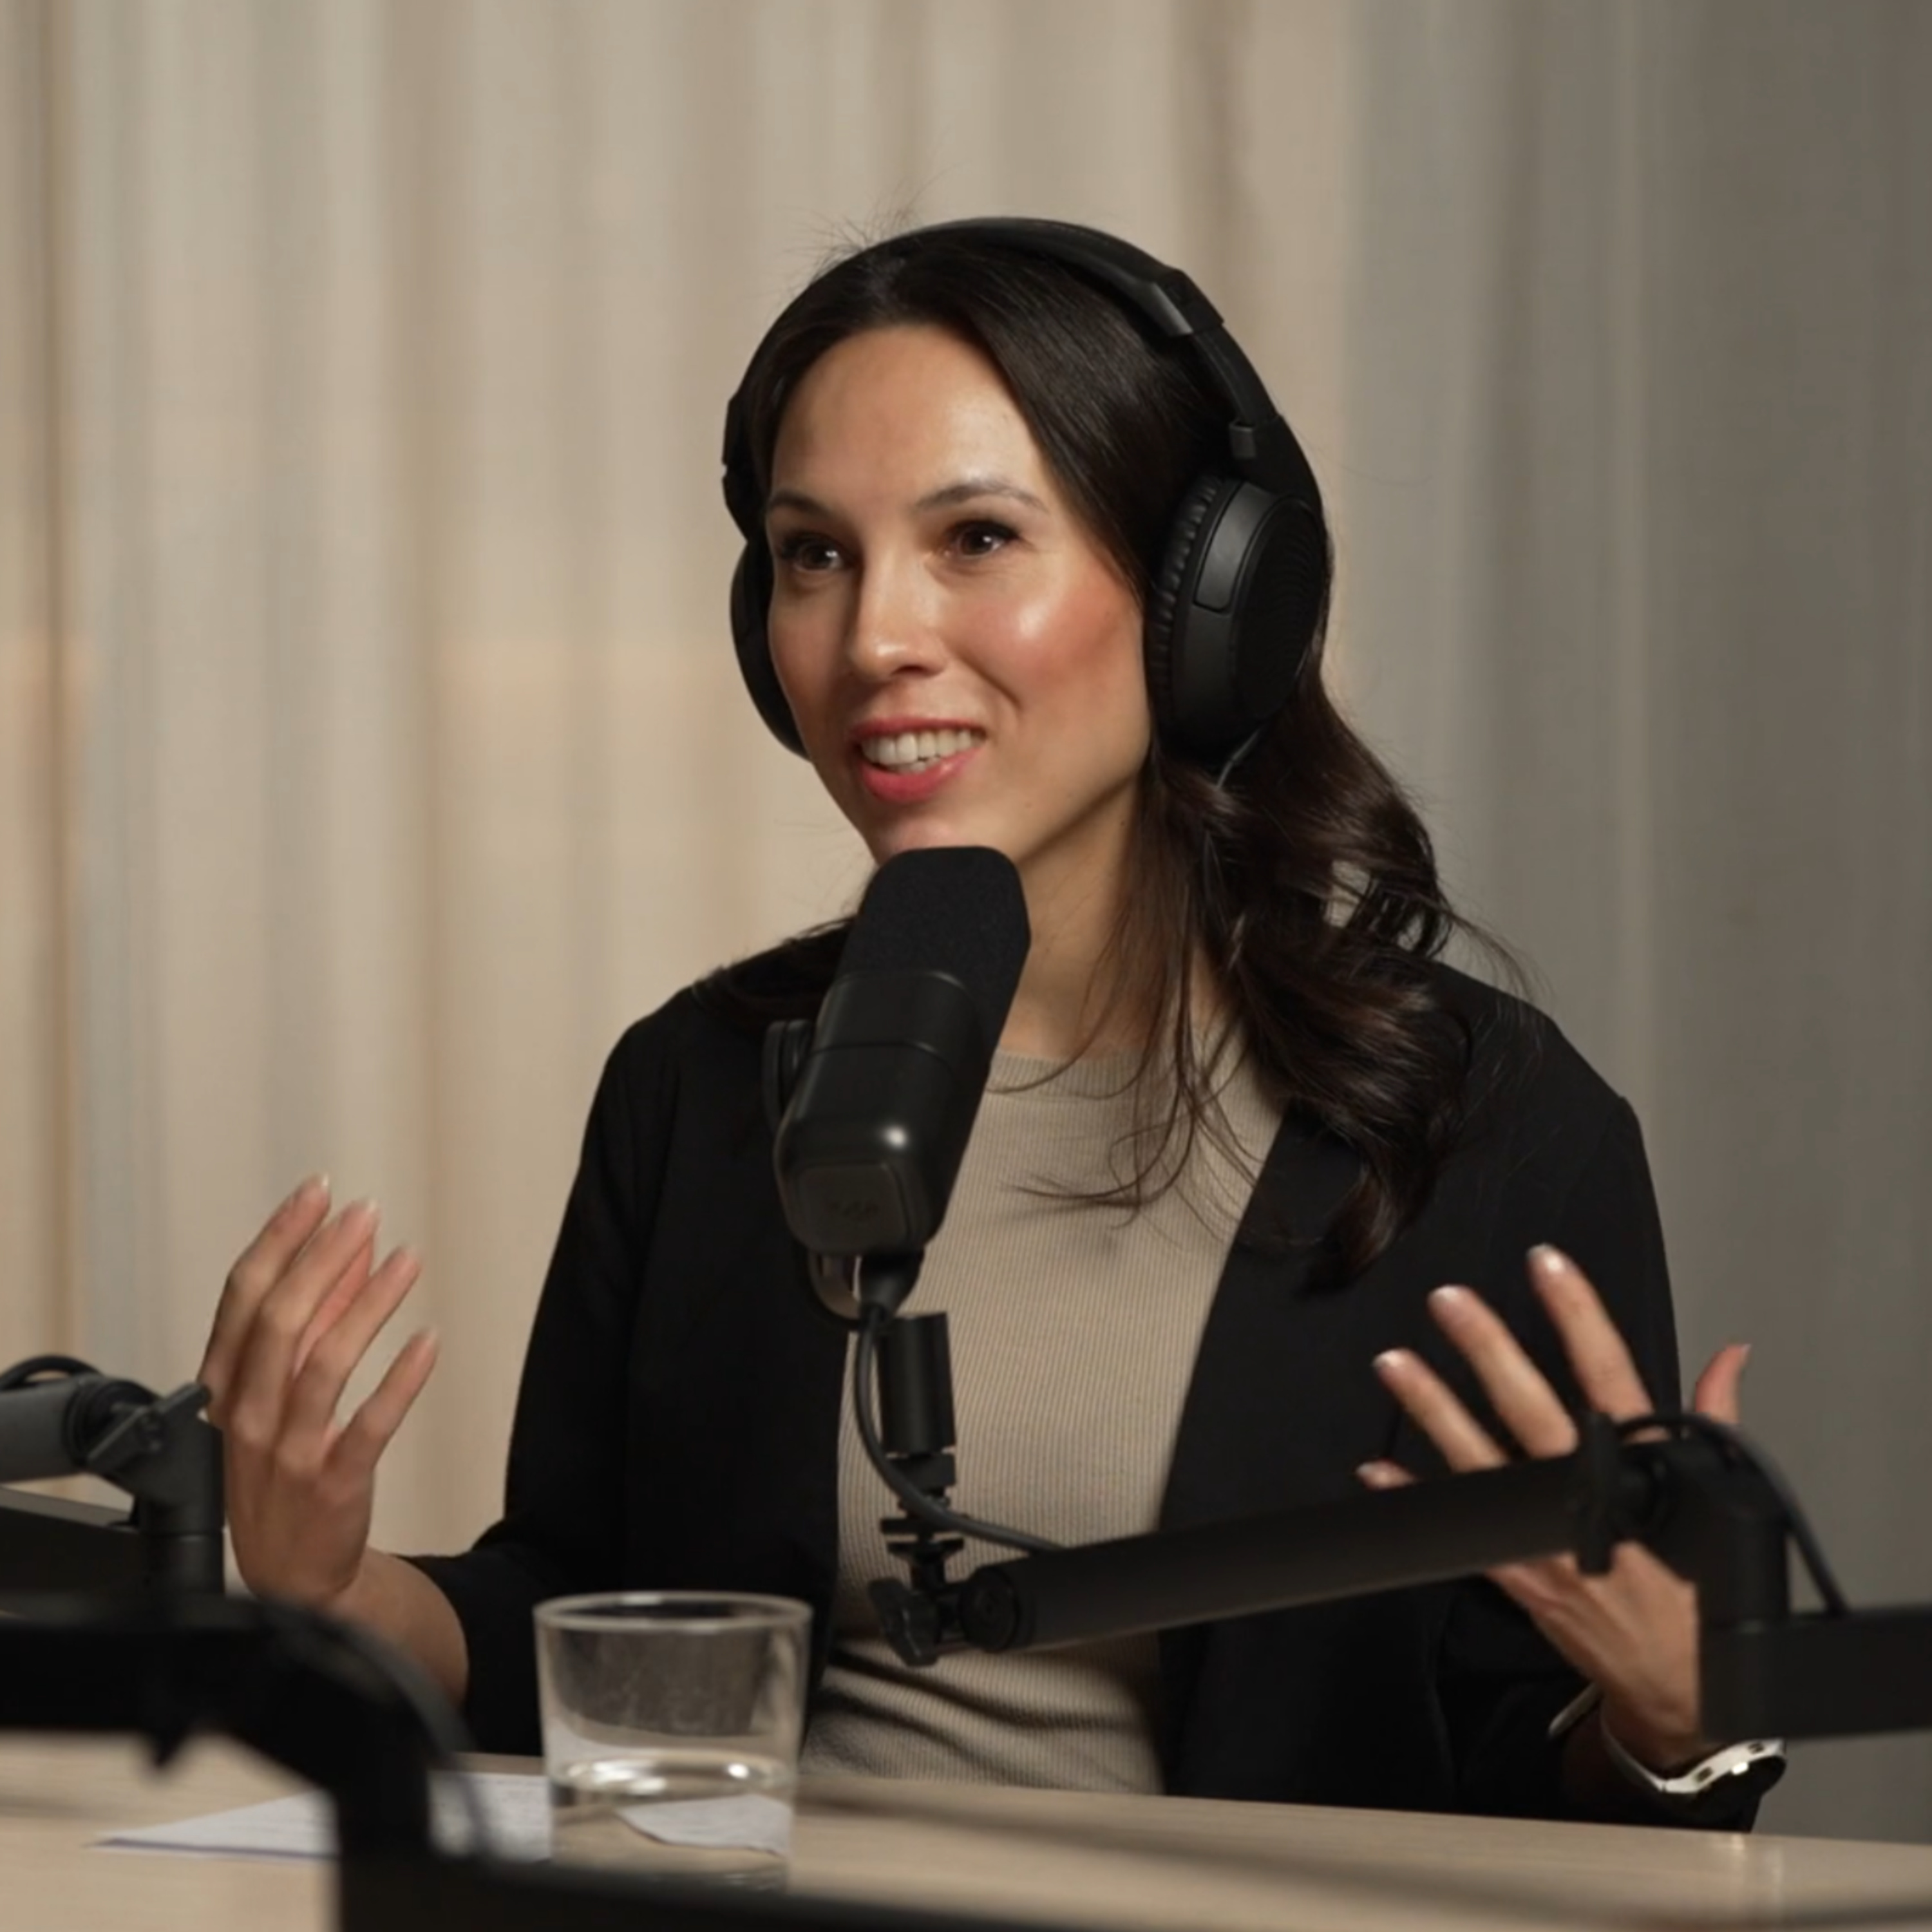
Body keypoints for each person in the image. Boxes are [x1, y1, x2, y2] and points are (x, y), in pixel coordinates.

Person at [198, 218, 1772, 1824]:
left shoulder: (1484, 1127)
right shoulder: (704, 1083)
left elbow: (1531, 1802)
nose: (875, 639)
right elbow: (593, 1629)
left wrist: (1673, 1716)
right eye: (815, 556)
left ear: (1207, 596)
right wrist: (337, 1586)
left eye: (976, 539)